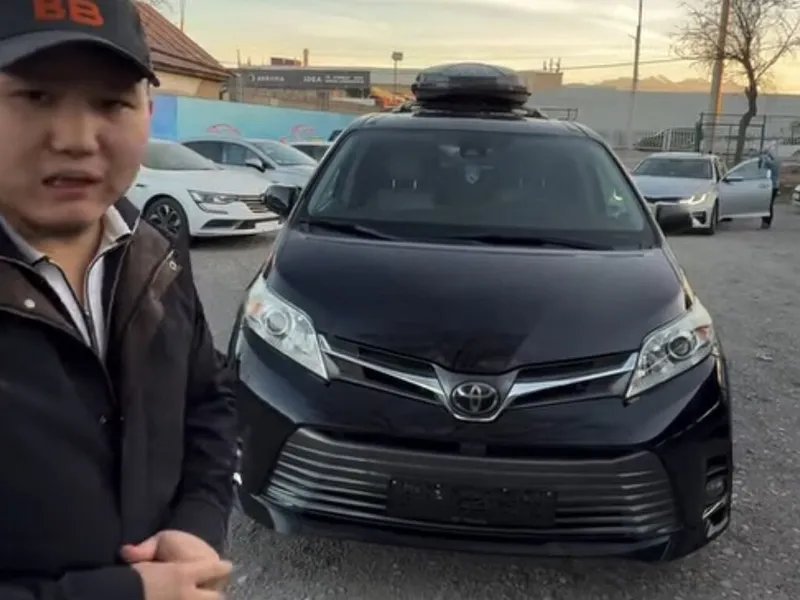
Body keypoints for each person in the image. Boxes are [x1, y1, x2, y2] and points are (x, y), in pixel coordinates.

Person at [0, 1, 237, 599]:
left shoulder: (153, 253)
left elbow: (207, 405)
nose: (76, 140)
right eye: (35, 96)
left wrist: (196, 524)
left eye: (111, 104)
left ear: (147, 114)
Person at [760, 143, 780, 229]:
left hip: (772, 186)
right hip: (771, 185)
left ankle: (767, 222)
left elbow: (767, 163)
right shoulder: (773, 160)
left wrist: (764, 154)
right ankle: (765, 221)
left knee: (768, 204)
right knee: (767, 204)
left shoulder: (775, 162)